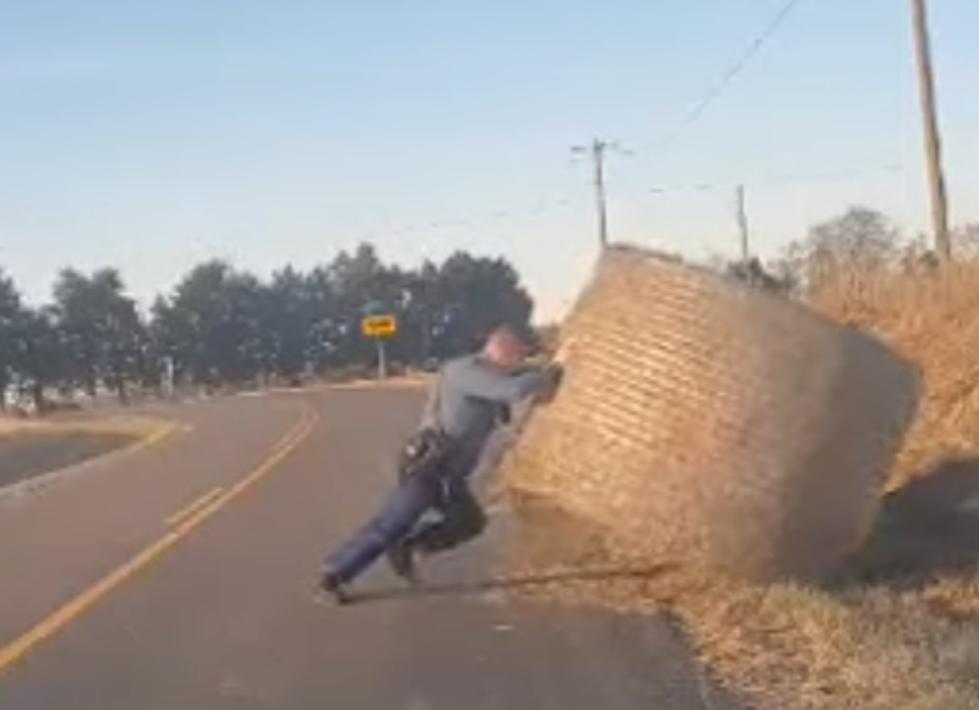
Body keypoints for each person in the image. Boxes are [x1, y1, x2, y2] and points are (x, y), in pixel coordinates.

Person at [319, 324, 566, 604]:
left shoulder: (489, 374)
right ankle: (333, 576)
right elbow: (512, 391)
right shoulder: (465, 371)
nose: (521, 361)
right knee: (392, 523)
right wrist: (553, 371)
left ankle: (410, 546)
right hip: (428, 466)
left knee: (470, 522)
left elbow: (519, 386)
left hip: (451, 475)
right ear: (502, 349)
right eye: (518, 355)